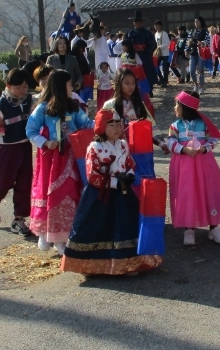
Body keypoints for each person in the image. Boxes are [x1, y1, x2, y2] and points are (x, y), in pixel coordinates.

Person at [60, 108, 163, 276]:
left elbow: (130, 164)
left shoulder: (122, 145)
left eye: (118, 124)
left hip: (123, 194)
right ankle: (91, 264)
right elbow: (92, 175)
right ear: (101, 127)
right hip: (100, 196)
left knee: (126, 226)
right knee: (98, 227)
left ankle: (129, 263)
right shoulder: (95, 147)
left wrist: (128, 176)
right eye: (111, 125)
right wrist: (115, 182)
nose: (117, 128)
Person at [26, 70, 93, 255]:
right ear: (60, 86)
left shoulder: (73, 107)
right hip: (51, 160)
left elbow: (87, 124)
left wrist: (106, 124)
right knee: (51, 193)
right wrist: (46, 142)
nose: (72, 87)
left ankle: (64, 235)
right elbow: (30, 130)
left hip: (72, 158)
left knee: (70, 193)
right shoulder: (43, 108)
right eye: (70, 84)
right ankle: (46, 233)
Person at [167, 91, 220, 246]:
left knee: (208, 191)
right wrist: (184, 149)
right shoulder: (175, 126)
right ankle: (189, 228)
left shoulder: (203, 124)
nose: (175, 108)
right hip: (184, 166)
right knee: (188, 193)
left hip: (204, 164)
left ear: (186, 107)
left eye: (177, 105)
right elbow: (170, 142)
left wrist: (205, 148)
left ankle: (214, 227)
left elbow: (213, 139)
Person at [0, 68, 34, 237]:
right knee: (2, 183)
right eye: (18, 87)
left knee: (24, 184)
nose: (22, 91)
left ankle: (18, 220)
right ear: (8, 86)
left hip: (25, 146)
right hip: (8, 149)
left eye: (25, 87)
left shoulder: (28, 100)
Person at [126, 10, 158, 96]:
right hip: (134, 56)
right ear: (134, 23)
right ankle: (136, 90)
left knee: (147, 73)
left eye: (139, 23)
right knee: (135, 74)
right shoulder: (130, 33)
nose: (138, 25)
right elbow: (127, 44)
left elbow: (152, 43)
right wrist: (132, 49)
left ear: (142, 23)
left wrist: (145, 49)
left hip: (145, 55)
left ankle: (149, 89)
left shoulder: (147, 33)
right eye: (136, 23)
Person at [187, 16, 211, 92]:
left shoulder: (205, 32)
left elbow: (208, 41)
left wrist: (202, 43)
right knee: (191, 70)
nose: (196, 23)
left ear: (201, 22)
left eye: (197, 21)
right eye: (195, 22)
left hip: (201, 53)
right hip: (193, 52)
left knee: (201, 70)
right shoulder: (192, 31)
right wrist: (186, 49)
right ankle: (195, 84)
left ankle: (201, 86)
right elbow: (188, 41)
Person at [154, 20, 170, 88]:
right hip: (158, 53)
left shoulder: (164, 33)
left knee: (165, 68)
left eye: (157, 25)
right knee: (156, 66)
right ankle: (161, 79)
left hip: (165, 53)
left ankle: (165, 81)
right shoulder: (156, 34)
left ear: (160, 26)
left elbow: (168, 43)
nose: (156, 27)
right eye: (155, 25)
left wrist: (161, 47)